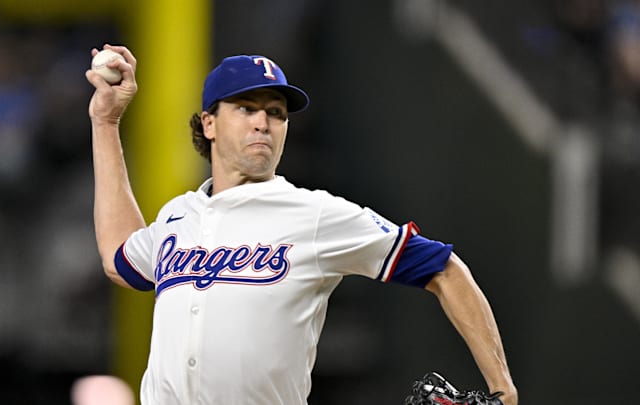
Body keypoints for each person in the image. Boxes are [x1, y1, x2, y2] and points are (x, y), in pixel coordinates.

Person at [85, 44, 518, 405]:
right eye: (246, 108)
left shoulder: (315, 214)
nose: (263, 122)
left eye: (276, 113)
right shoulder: (179, 217)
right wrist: (106, 122)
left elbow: (444, 268)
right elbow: (119, 255)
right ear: (209, 124)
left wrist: (504, 390)